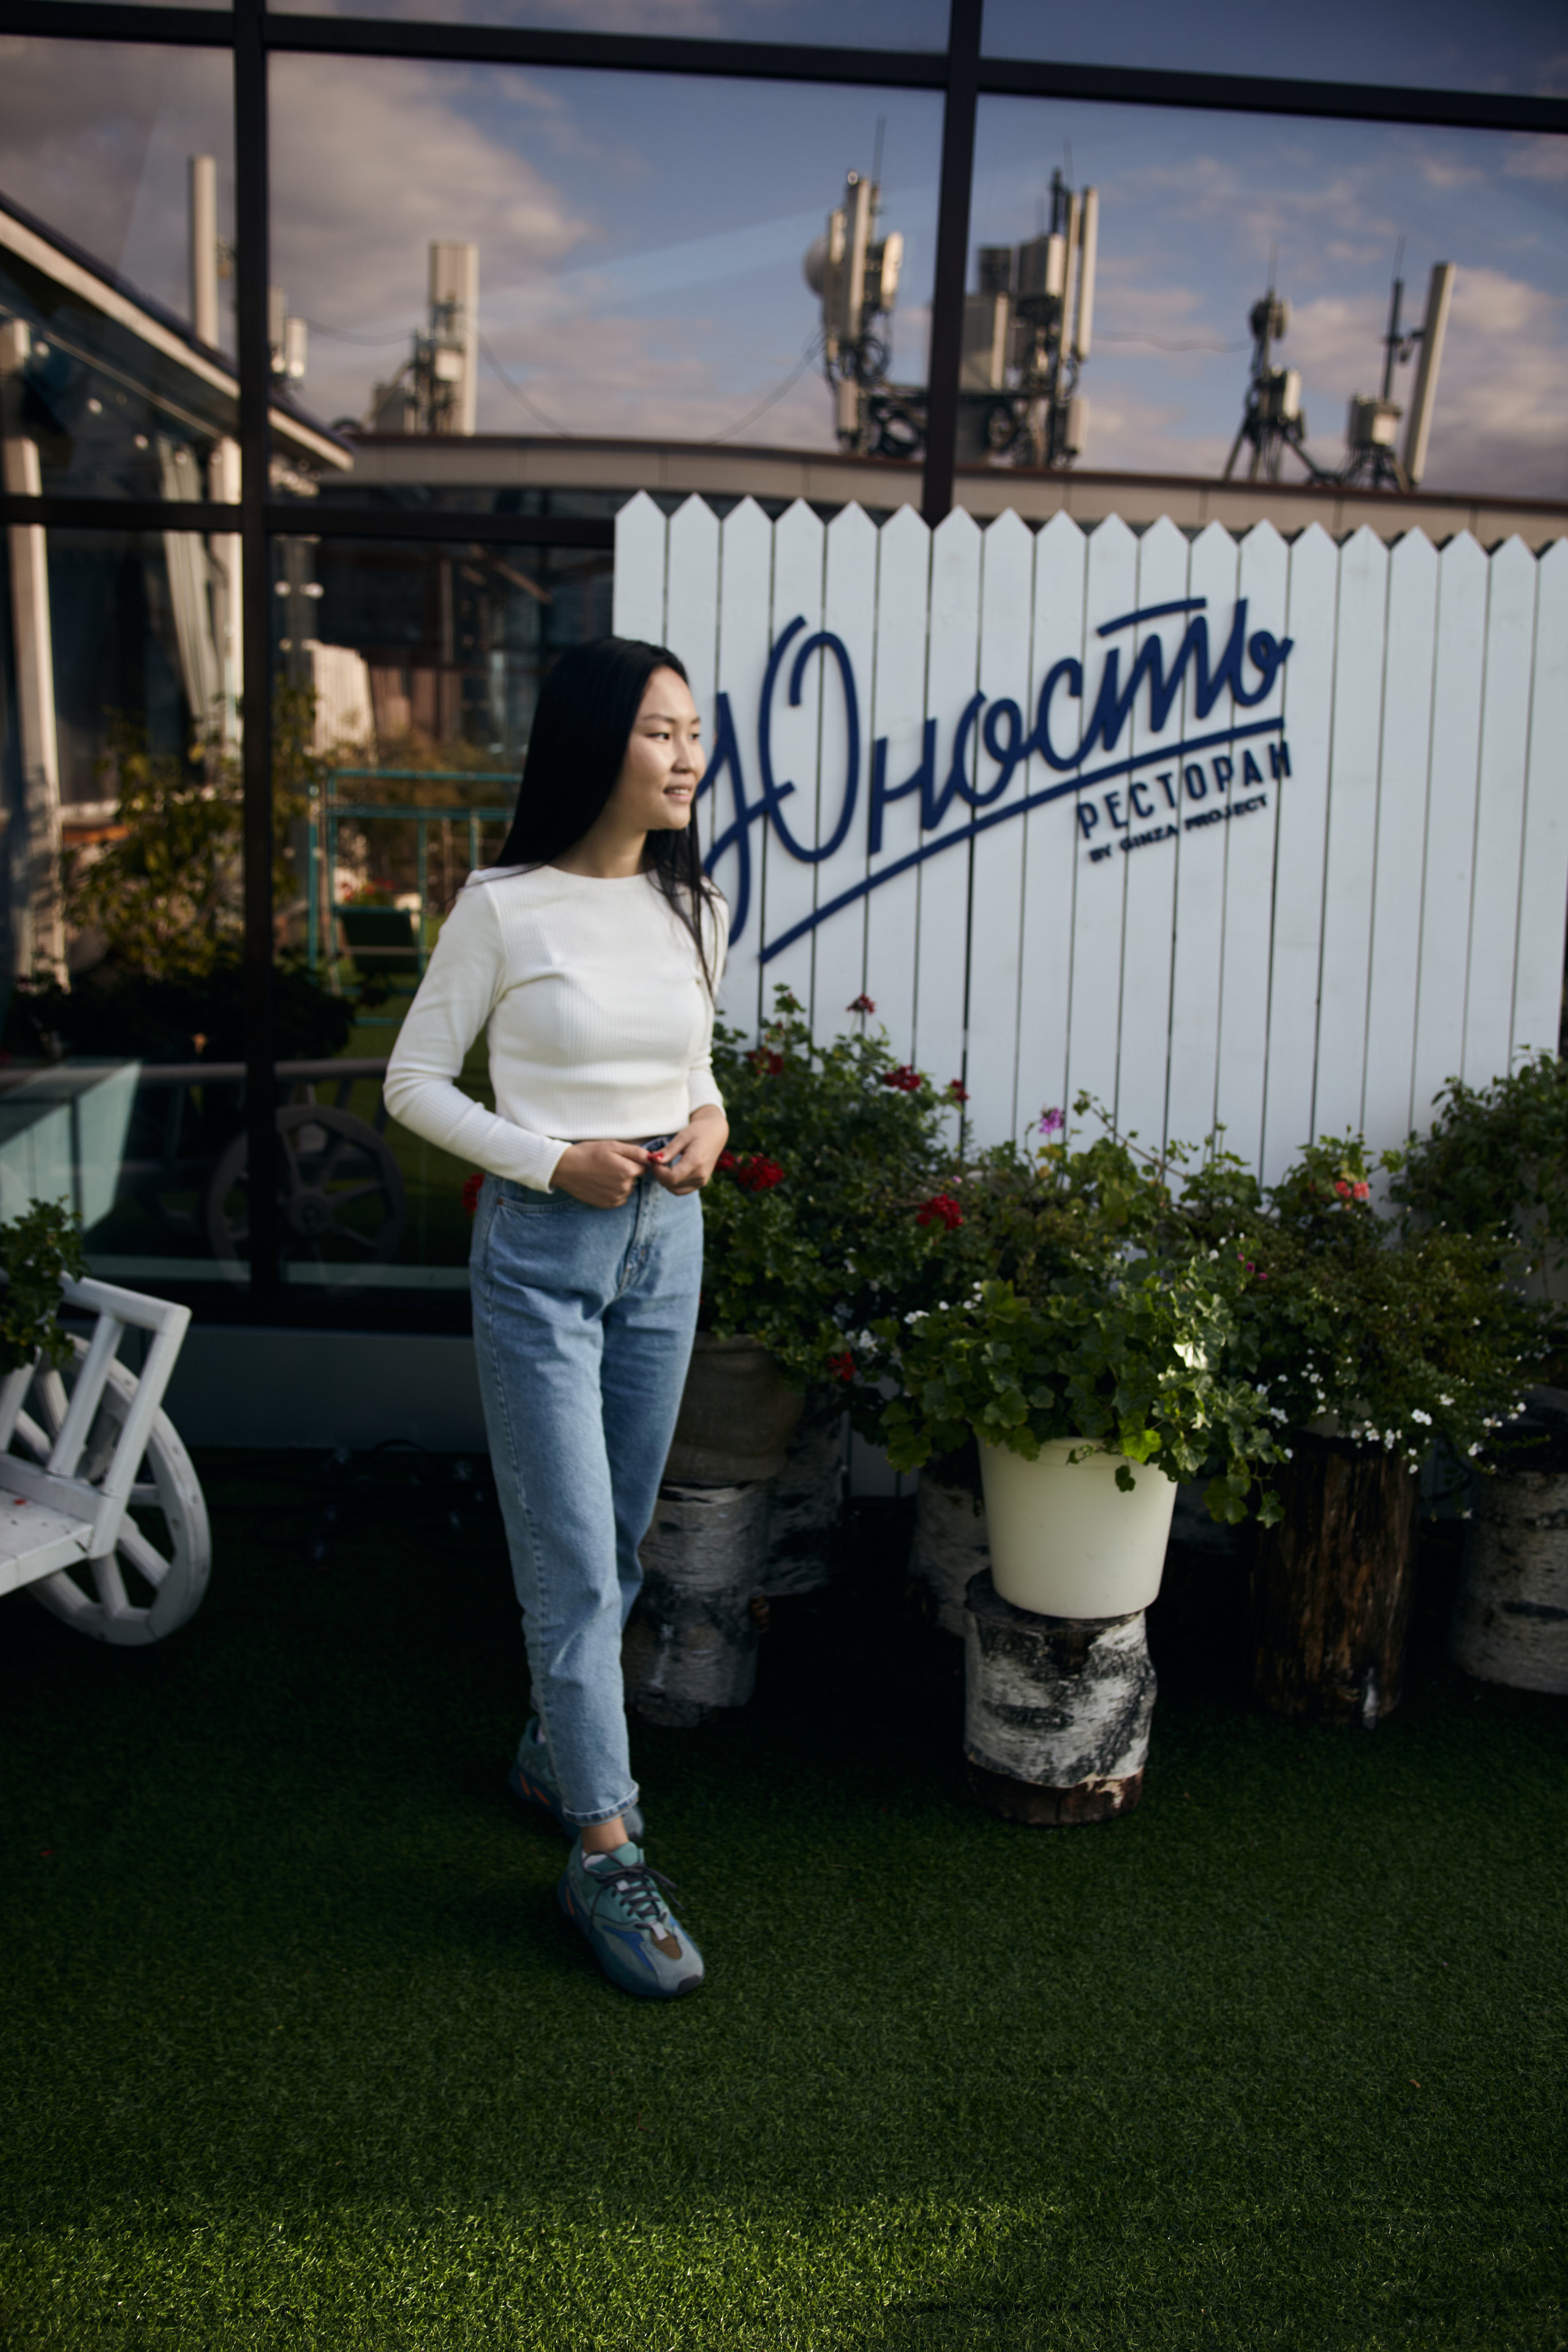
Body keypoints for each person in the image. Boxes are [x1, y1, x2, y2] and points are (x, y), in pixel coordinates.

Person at [383, 636, 728, 2001]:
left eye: (693, 732)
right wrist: (546, 1161)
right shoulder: (502, 909)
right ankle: (603, 1847)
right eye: (660, 732)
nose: (687, 757)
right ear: (595, 744)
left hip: (665, 1247)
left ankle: (550, 1751)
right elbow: (412, 1084)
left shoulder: (695, 907)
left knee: (620, 1536)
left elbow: (696, 1066)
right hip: (543, 1252)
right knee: (575, 1561)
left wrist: (710, 1123)